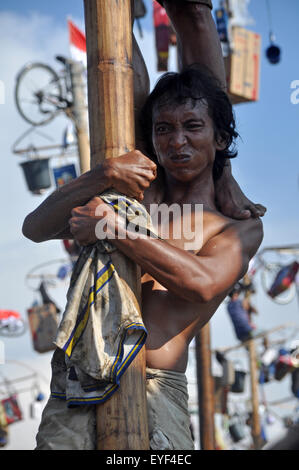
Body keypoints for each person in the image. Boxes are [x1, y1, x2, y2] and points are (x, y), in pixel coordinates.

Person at [22, 0, 265, 450]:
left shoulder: (236, 224)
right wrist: (103, 176)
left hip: (155, 392)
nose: (177, 141)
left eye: (193, 126)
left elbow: (202, 283)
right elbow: (35, 227)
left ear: (221, 138)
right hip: (76, 385)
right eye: (163, 130)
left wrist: (115, 229)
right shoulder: (133, 190)